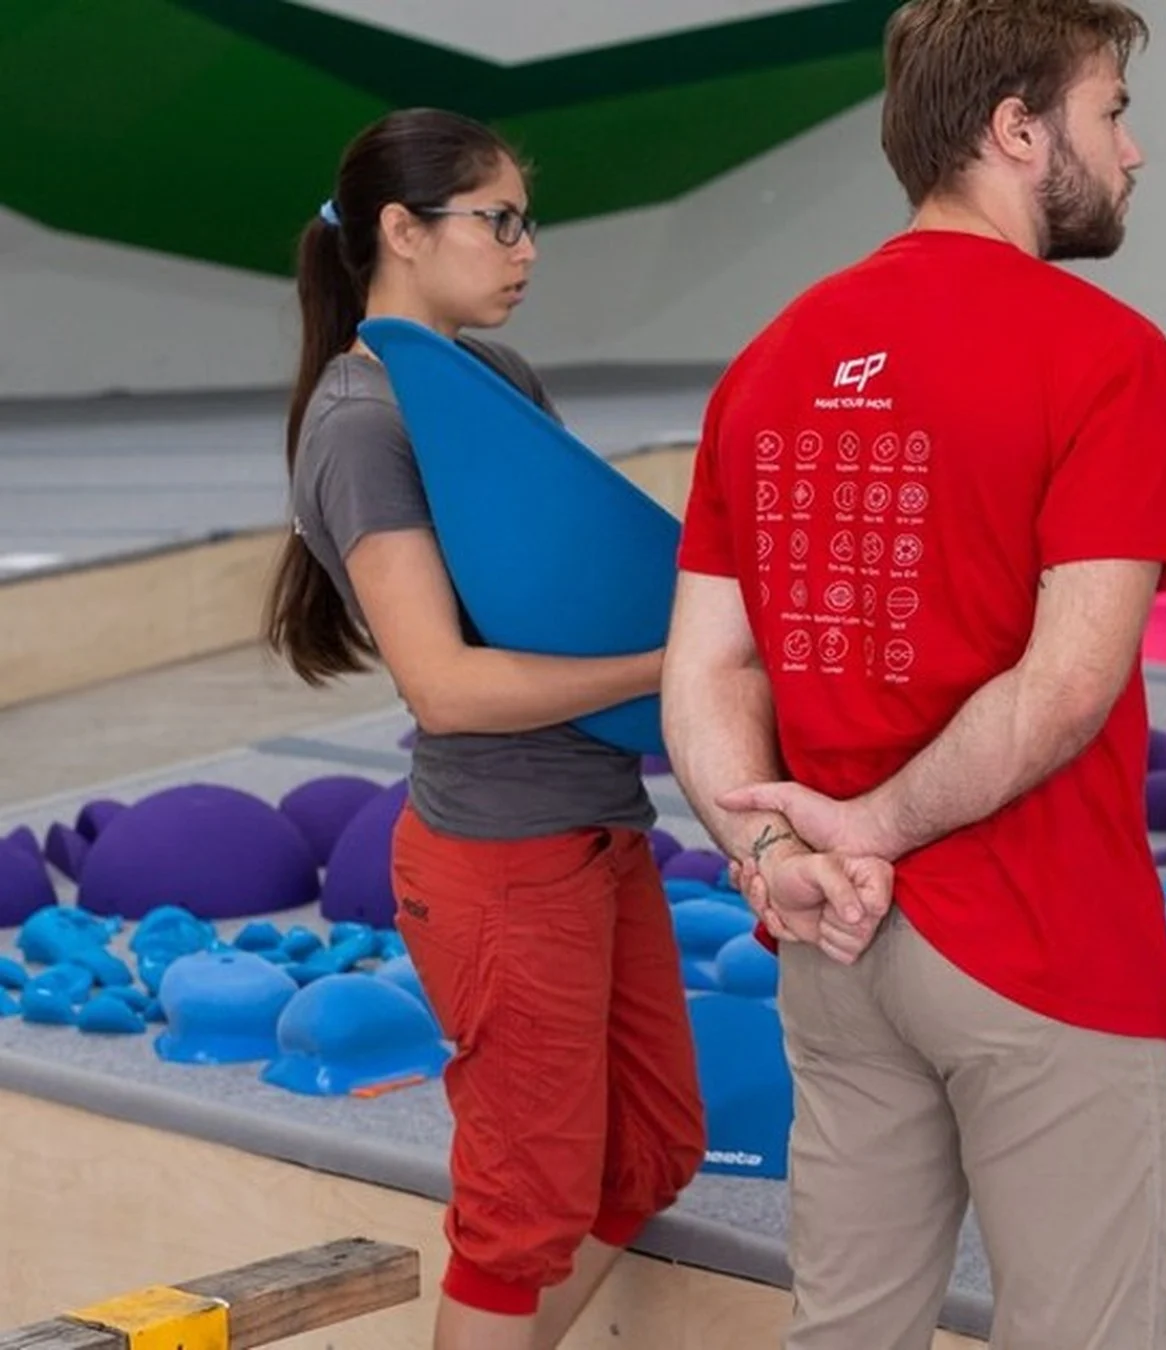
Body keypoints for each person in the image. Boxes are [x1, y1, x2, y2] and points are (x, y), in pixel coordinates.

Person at [659, 1, 1166, 1346]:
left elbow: (710, 664)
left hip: (833, 940)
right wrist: (873, 826)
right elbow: (1065, 686)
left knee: (846, 1328)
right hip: (1040, 939)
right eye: (1111, 113)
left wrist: (775, 847)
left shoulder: (769, 360)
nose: (1133, 153)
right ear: (1019, 129)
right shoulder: (1108, 356)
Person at [262, 107, 705, 1350]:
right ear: (402, 230)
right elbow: (444, 686)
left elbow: (570, 577)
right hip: (501, 864)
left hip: (596, 830)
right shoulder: (359, 424)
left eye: (527, 222)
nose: (527, 249)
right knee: (522, 1214)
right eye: (498, 221)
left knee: (652, 1151)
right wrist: (679, 666)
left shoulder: (490, 380)